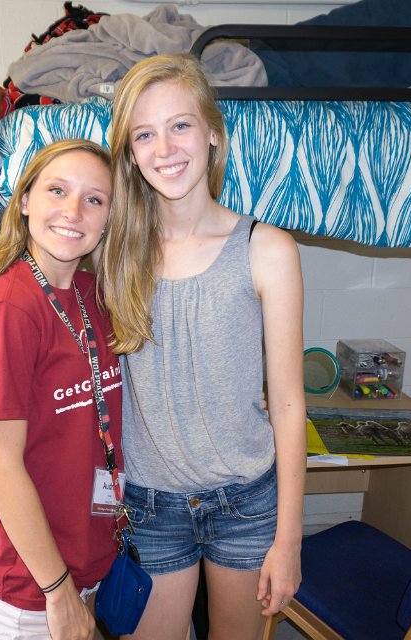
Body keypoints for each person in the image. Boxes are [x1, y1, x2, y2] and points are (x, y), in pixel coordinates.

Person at [98, 54, 307, 640]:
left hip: (245, 502)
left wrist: (289, 538)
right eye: (145, 134)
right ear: (130, 153)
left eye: (180, 125)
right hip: (151, 504)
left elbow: (289, 403)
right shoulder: (113, 253)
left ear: (213, 133)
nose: (164, 148)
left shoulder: (267, 250)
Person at [0, 139, 122, 640]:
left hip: (84, 563)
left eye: (94, 199)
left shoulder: (92, 297)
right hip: (32, 585)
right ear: (25, 199)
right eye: (57, 190)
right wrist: (58, 591)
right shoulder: (10, 311)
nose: (74, 211)